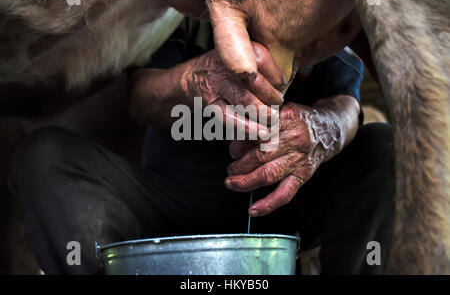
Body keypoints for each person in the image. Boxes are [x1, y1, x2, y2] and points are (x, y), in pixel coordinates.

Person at [9, 20, 395, 275]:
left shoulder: (320, 7)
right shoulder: (184, 5)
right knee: (44, 157)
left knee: (385, 147)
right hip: (170, 202)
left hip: (287, 205)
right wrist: (196, 78)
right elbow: (141, 95)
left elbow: (346, 104)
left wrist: (321, 126)